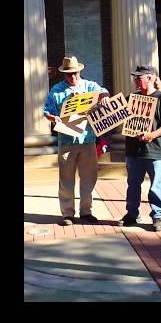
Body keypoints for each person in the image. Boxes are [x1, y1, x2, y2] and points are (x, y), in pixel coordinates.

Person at [43, 56, 110, 226]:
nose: (73, 77)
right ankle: (67, 214)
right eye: (69, 74)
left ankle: (86, 212)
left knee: (89, 178)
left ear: (80, 71)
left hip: (87, 139)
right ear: (64, 74)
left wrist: (104, 96)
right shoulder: (56, 90)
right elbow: (47, 111)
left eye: (75, 73)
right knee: (66, 179)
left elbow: (103, 91)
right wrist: (52, 118)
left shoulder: (89, 86)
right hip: (66, 141)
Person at [118, 66, 161, 232]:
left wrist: (153, 134)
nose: (136, 80)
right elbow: (115, 115)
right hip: (133, 151)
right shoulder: (131, 98)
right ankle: (132, 214)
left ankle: (157, 215)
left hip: (155, 151)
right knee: (133, 185)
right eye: (135, 77)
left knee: (156, 186)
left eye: (139, 77)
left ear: (150, 78)